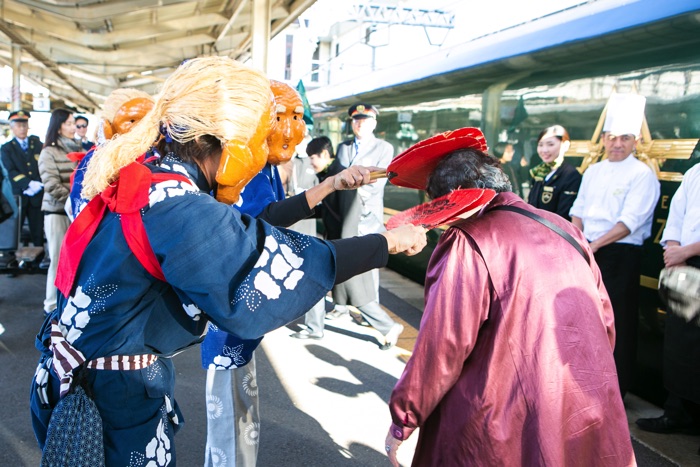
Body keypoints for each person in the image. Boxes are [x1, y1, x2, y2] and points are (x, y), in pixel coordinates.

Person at [30, 56, 426, 466]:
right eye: (259, 135)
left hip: (85, 382)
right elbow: (269, 254)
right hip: (112, 403)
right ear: (228, 141)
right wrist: (386, 242)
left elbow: (243, 229)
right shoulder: (179, 204)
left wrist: (327, 189)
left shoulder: (153, 178)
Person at [384, 131, 635, 466]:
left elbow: (443, 344)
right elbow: (605, 322)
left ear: (455, 200)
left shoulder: (468, 240)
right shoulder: (567, 230)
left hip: (500, 416)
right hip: (583, 405)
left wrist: (404, 419)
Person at [570, 93, 660, 397]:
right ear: (604, 140)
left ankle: (615, 389)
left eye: (625, 138)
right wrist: (580, 240)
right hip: (587, 249)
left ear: (635, 142)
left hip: (619, 254)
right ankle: (586, 381)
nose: (617, 143)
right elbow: (578, 210)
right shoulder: (594, 171)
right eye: (612, 137)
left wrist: (593, 247)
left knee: (616, 322)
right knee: (585, 318)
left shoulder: (642, 174)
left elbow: (628, 223)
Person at [328, 103, 404, 350]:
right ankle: (343, 307)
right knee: (347, 260)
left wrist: (352, 192)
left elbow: (377, 183)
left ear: (374, 123)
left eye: (365, 119)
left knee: (369, 267)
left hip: (368, 216)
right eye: (356, 120)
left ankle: (371, 312)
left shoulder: (384, 148)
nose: (360, 123)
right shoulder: (343, 147)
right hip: (345, 216)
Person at [636, 161, 700, 436]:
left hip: (689, 257)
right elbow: (676, 216)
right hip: (684, 266)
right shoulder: (694, 172)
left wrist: (685, 252)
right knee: (679, 344)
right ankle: (677, 414)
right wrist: (673, 247)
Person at [290, 136, 351, 339]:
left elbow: (348, 212)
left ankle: (387, 326)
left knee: (360, 296)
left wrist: (343, 244)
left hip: (340, 241)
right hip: (333, 239)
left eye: (313, 157)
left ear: (324, 155)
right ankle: (316, 327)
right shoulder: (330, 173)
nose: (310, 162)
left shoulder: (339, 175)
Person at [69, 88, 155, 218]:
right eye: (132, 120)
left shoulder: (155, 157)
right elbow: (82, 210)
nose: (142, 127)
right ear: (108, 127)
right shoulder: (94, 161)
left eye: (149, 120)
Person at [38, 108, 80, 315]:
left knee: (74, 259)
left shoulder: (78, 148)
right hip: (57, 212)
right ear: (59, 125)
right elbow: (51, 184)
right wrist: (73, 201)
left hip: (76, 212)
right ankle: (51, 306)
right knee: (57, 258)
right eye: (70, 123)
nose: (74, 127)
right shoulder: (49, 152)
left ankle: (67, 303)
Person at [1, 110, 45, 249]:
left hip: (37, 193)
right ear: (12, 127)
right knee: (15, 229)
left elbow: (43, 165)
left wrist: (37, 183)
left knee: (37, 228)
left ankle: (39, 256)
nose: (22, 128)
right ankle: (11, 255)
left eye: (24, 125)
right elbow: (10, 170)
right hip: (19, 194)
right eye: (18, 125)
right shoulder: (7, 148)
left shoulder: (38, 144)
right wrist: (28, 184)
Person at [527, 125, 581, 220]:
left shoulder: (571, 175)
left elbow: (564, 216)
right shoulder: (539, 172)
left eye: (550, 144)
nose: (544, 150)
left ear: (565, 145)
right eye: (540, 145)